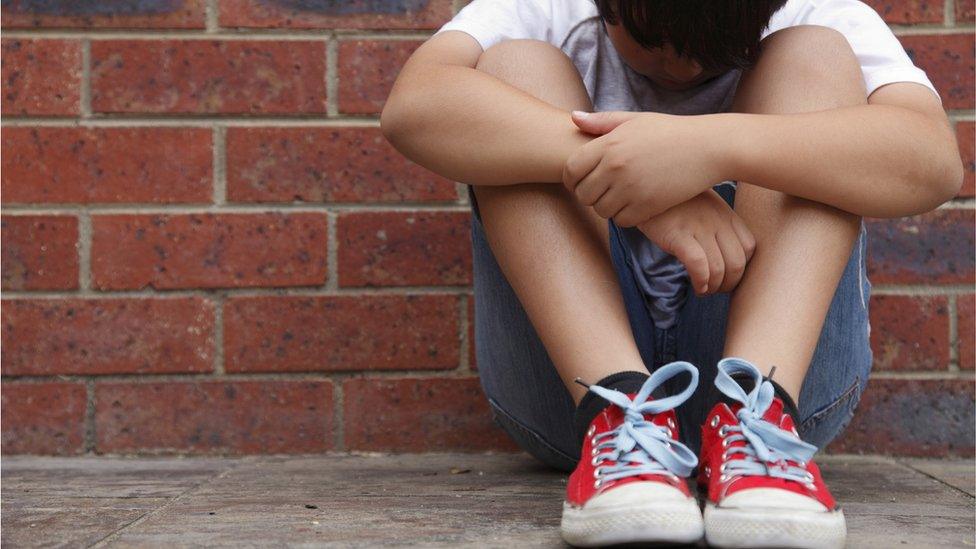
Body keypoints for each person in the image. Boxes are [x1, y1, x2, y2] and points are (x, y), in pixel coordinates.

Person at [380, 1, 964, 547]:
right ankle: (620, 411)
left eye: (716, 47)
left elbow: (934, 162)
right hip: (569, 396)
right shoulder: (545, 10)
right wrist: (627, 175)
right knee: (513, 65)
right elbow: (415, 106)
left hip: (785, 381)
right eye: (655, 41)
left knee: (814, 55)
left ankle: (755, 416)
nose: (682, 65)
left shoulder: (818, 11)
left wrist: (713, 147)